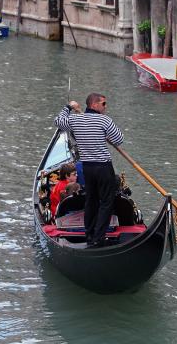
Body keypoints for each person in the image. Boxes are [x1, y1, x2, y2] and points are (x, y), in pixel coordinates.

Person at [54, 92, 123, 247]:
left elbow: (58, 121)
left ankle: (90, 235)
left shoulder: (74, 119)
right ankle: (99, 238)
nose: (105, 106)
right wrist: (104, 134)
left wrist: (68, 107)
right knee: (106, 201)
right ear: (94, 105)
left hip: (87, 167)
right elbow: (119, 139)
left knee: (91, 200)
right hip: (103, 166)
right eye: (103, 103)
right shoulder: (104, 120)